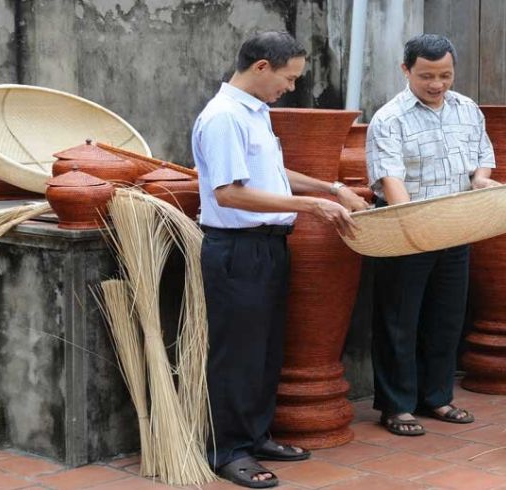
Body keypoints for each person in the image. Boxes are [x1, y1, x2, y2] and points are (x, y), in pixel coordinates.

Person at [192, 31, 369, 488]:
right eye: (289, 79)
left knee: (267, 350)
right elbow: (229, 192)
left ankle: (256, 435)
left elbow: (273, 173)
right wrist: (312, 208)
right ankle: (229, 450)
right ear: (261, 68)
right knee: (238, 355)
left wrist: (331, 188)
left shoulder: (255, 113)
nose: (291, 87)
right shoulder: (224, 118)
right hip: (236, 249)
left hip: (268, 245)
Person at [366, 34, 499, 436]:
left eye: (445, 75)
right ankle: (397, 405)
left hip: (455, 227)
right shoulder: (389, 118)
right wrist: (414, 223)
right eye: (427, 76)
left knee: (446, 317)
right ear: (406, 70)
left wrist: (480, 182)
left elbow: (482, 159)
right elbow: (391, 181)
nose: (437, 84)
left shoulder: (468, 109)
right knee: (399, 320)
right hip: (405, 231)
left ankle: (437, 397)